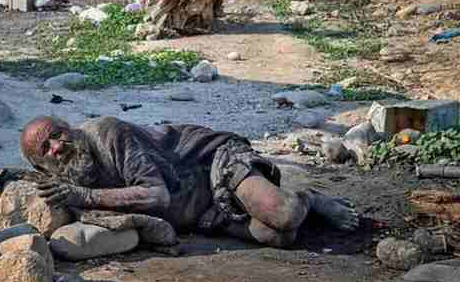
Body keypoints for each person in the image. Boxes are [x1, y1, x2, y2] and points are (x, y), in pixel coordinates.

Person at [20, 116, 359, 248]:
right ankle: (289, 208)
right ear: (42, 165)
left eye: (57, 134)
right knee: (281, 236)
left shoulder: (107, 135)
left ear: (69, 128)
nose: (57, 146)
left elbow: (156, 195)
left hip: (209, 162)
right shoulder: (64, 178)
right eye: (46, 149)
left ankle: (310, 198)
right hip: (200, 212)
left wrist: (84, 196)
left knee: (283, 214)